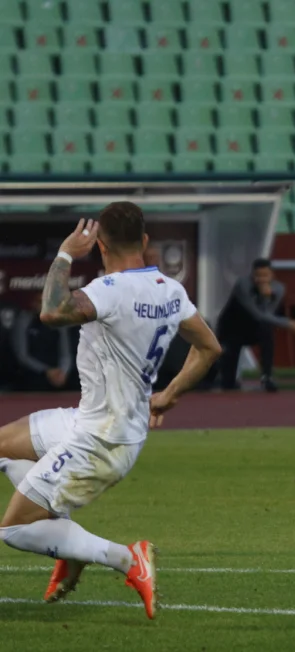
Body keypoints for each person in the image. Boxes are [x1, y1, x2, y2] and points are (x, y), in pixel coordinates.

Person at [0, 203, 222, 620]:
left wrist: (66, 253)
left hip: (102, 441)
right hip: (94, 421)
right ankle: (69, 549)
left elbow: (51, 311)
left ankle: (126, 558)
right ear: (144, 242)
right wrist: (169, 395)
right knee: (4, 449)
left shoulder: (108, 290)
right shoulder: (170, 291)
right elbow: (209, 347)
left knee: (14, 530)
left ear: (99, 245)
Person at [211, 259, 295, 393]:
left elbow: (267, 315)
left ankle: (267, 376)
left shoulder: (278, 288)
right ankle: (225, 379)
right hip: (232, 328)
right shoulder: (243, 285)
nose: (261, 279)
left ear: (272, 275)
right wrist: (288, 323)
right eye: (257, 275)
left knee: (267, 330)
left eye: (265, 275)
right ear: (252, 275)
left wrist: (266, 296)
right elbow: (257, 314)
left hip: (255, 329)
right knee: (228, 384)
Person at [10, 293, 75, 392]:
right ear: (34, 304)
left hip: (58, 375)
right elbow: (22, 355)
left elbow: (65, 352)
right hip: (33, 375)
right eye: (41, 302)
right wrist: (46, 371)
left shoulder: (59, 322)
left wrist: (63, 372)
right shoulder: (24, 321)